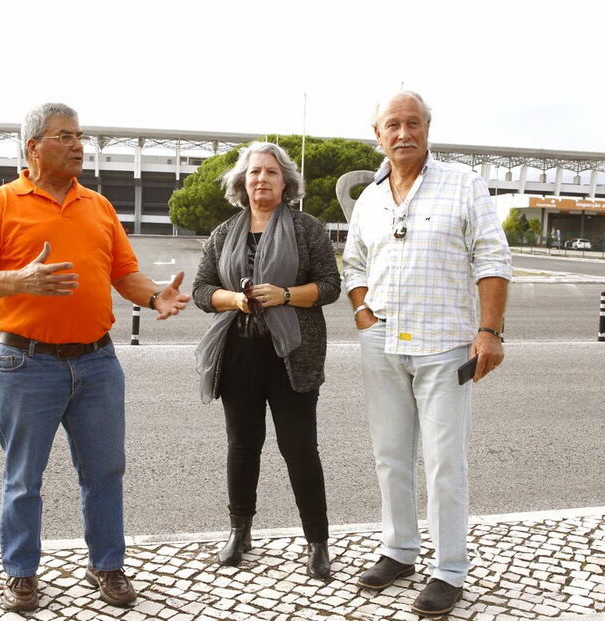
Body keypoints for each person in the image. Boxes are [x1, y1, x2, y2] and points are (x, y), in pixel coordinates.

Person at [0, 103, 190, 612]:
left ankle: (107, 565)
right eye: (64, 136)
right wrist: (18, 280)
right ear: (32, 147)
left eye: (80, 136)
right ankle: (21, 572)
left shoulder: (99, 206)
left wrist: (155, 297)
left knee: (105, 470)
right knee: (24, 477)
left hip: (97, 363)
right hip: (25, 364)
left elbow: (124, 273)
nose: (78, 145)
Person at [342, 92, 512, 615]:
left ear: (427, 128)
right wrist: (363, 314)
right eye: (392, 125)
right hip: (383, 343)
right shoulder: (370, 198)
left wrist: (490, 331)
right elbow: (354, 264)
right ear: (378, 135)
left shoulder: (462, 183)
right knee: (390, 455)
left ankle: (450, 570)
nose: (403, 133)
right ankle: (399, 549)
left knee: (443, 463)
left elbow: (492, 256)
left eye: (412, 123)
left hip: (444, 345)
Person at [193, 141, 340, 580]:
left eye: (271, 173)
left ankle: (317, 542)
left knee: (300, 450)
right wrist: (234, 299)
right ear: (242, 181)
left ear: (285, 182)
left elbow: (330, 285)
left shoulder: (306, 228)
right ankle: (240, 531)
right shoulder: (223, 234)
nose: (262, 179)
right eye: (254, 172)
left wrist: (286, 295)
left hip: (293, 354)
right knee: (242, 447)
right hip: (238, 354)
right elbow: (202, 291)